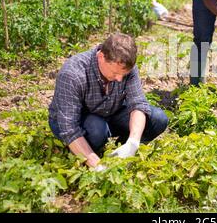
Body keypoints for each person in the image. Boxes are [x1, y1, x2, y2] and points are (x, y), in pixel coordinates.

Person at [48, 33, 168, 170]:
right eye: (115, 73)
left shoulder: (124, 67)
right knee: (97, 129)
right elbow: (69, 128)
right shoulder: (73, 73)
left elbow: (138, 104)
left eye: (123, 75)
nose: (119, 79)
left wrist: (133, 143)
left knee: (158, 119)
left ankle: (120, 154)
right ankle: (87, 156)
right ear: (101, 57)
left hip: (109, 112)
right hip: (77, 120)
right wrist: (98, 167)